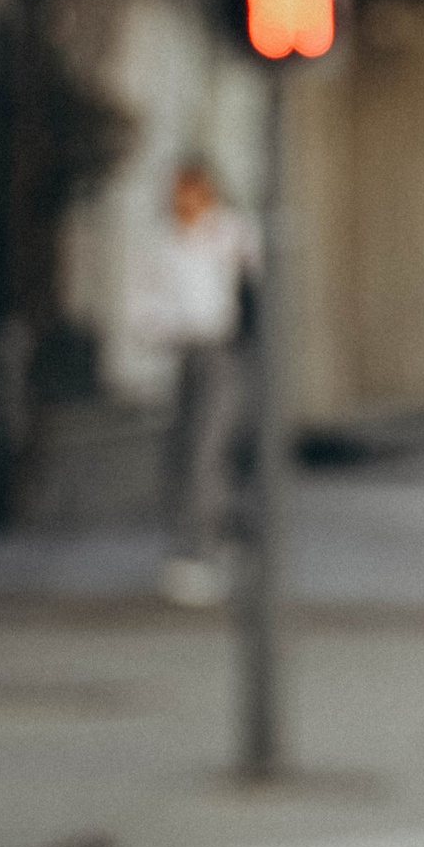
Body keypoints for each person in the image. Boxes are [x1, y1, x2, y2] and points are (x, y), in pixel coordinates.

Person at [128, 156, 260, 606]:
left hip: (222, 352)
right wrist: (163, 328)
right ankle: (191, 548)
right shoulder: (161, 243)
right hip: (182, 353)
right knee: (184, 453)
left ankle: (208, 548)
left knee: (210, 450)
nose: (186, 201)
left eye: (194, 192)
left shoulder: (229, 232)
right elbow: (142, 307)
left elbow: (259, 273)